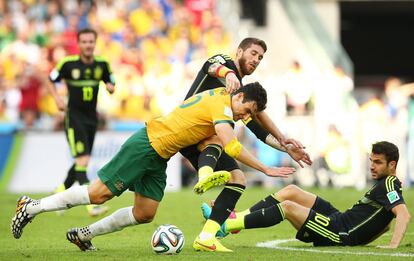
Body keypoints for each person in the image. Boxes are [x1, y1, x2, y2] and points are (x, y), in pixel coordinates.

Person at [11, 83, 296, 252]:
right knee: (99, 195)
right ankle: (31, 206)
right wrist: (265, 169)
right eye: (247, 110)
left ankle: (84, 235)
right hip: (147, 144)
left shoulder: (221, 95)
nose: (246, 116)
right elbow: (232, 146)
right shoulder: (222, 107)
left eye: (251, 115)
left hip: (161, 155)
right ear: (240, 97)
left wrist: (282, 143)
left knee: (144, 213)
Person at [179, 37, 311, 252]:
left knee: (238, 179)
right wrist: (229, 73)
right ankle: (209, 186)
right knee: (219, 140)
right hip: (190, 129)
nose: (256, 59)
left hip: (203, 138)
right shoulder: (226, 65)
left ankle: (208, 233)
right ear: (239, 51)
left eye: (260, 57)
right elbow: (210, 66)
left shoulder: (240, 93)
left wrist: (285, 144)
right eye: (253, 53)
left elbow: (256, 124)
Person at [201, 141, 411, 249]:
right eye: (371, 161)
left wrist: (391, 245)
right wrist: (365, 238)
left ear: (392, 165)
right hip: (339, 219)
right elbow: (386, 224)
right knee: (291, 191)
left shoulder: (389, 184)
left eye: (378, 162)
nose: (372, 166)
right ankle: (235, 219)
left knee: (289, 207)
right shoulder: (385, 185)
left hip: (339, 232)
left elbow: (402, 214)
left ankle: (225, 226)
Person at [46, 28, 116, 217]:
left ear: (95, 43)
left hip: (92, 119)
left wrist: (111, 87)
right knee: (83, 160)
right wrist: (57, 100)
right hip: (74, 117)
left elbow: (112, 79)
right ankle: (91, 204)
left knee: (80, 162)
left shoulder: (102, 64)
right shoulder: (68, 64)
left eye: (91, 41)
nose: (88, 45)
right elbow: (50, 79)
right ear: (79, 44)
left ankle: (57, 194)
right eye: (84, 42)